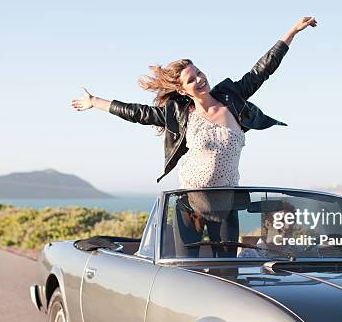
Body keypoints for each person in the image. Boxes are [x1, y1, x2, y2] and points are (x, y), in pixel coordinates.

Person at [71, 17, 317, 257]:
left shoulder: (232, 98)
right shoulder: (180, 114)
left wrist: (292, 31)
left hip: (226, 204)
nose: (200, 79)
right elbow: (138, 113)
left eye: (199, 72)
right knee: (186, 272)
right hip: (190, 205)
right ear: (181, 89)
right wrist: (94, 102)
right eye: (191, 79)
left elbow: (263, 69)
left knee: (228, 273)